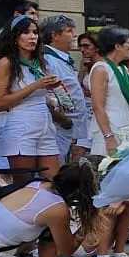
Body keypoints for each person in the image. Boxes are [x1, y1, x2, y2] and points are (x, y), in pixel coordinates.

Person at [0, 16, 66, 181]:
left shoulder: (40, 62)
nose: (32, 36)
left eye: (35, 32)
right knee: (24, 183)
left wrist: (50, 86)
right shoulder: (7, 62)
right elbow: (1, 102)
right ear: (14, 37)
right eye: (26, 32)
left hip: (45, 123)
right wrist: (36, 85)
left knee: (52, 181)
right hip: (21, 124)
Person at [85, 26, 129, 157]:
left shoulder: (122, 69)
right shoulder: (101, 69)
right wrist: (108, 137)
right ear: (117, 46)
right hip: (113, 131)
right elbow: (98, 106)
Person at [40, 16, 90, 162]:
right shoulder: (48, 60)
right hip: (59, 127)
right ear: (54, 35)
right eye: (69, 31)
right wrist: (63, 120)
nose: (74, 35)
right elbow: (47, 93)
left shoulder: (60, 59)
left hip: (69, 128)